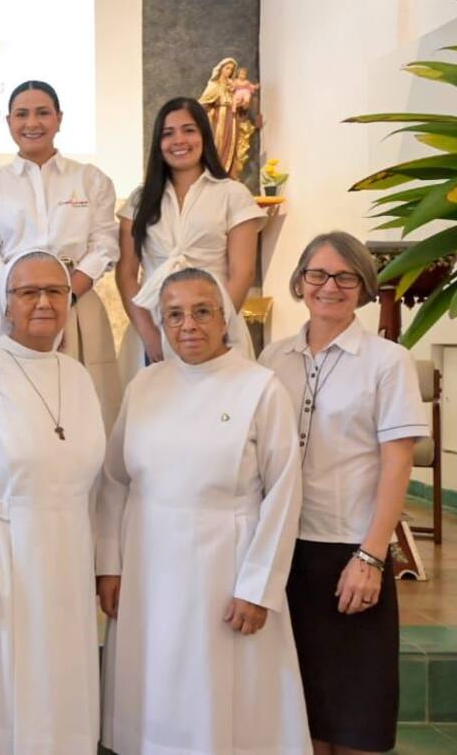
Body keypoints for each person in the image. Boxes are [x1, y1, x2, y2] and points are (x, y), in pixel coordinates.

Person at [96, 267, 311, 755]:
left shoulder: (260, 388)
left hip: (224, 574)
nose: (188, 325)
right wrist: (109, 565)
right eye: (174, 315)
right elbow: (114, 480)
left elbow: (283, 494)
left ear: (224, 317)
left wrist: (258, 587)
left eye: (201, 312)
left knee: (216, 702)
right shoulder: (144, 385)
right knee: (153, 689)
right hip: (148, 569)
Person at [260, 232, 428, 755]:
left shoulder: (387, 361)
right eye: (317, 274)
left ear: (363, 286)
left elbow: (397, 463)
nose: (329, 286)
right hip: (287, 551)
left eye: (345, 276)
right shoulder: (273, 358)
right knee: (302, 712)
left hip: (351, 551)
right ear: (300, 282)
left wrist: (371, 556)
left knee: (359, 717)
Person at [0, 249, 105, 754]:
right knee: (1, 690)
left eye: (55, 291)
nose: (43, 302)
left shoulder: (77, 374)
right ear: (6, 303)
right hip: (1, 554)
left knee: (61, 683)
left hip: (69, 555)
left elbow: (92, 480)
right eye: (29, 292)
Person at [0, 79, 122, 427]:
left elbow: (104, 245)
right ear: (9, 122)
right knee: (10, 413)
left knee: (82, 408)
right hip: (6, 309)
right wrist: (18, 299)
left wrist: (67, 295)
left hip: (77, 302)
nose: (32, 123)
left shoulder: (91, 179)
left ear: (59, 119)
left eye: (42, 113)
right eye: (22, 114)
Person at [116, 96, 264, 383]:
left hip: (216, 325)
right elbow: (126, 274)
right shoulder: (139, 199)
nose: (179, 140)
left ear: (204, 136)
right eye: (168, 133)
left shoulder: (232, 194)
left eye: (188, 130)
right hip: (153, 324)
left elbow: (242, 272)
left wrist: (216, 328)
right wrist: (149, 333)